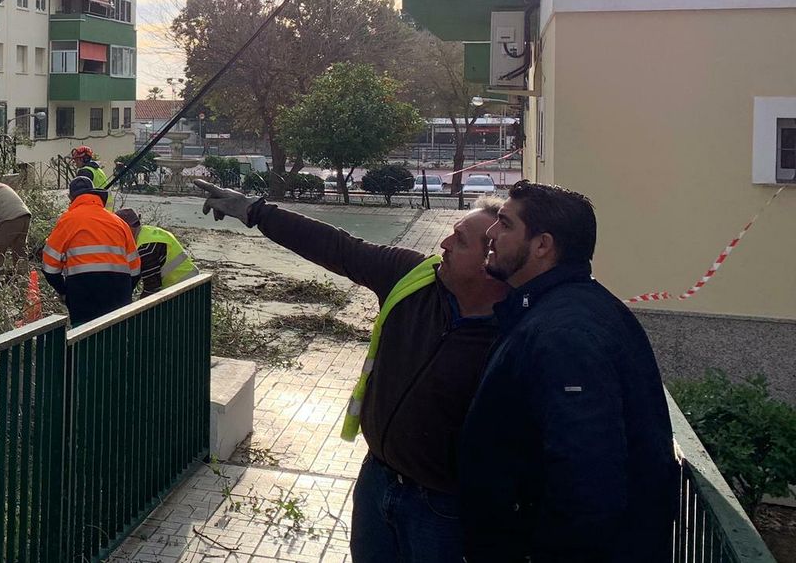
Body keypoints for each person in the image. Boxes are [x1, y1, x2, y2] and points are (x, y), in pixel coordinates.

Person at [194, 178, 508, 563]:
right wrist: (255, 211)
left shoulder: (516, 333)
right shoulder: (413, 276)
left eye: (459, 241)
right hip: (377, 480)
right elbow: (338, 247)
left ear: (494, 259)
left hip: (443, 510)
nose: (443, 245)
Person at [459, 181, 675, 561]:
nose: (491, 233)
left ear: (543, 245)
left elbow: (587, 482)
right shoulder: (559, 308)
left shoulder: (565, 334)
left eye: (506, 225)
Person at [41, 175, 140, 324]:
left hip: (83, 291)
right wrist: (124, 291)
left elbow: (49, 266)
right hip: (118, 290)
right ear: (96, 195)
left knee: (85, 341)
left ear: (71, 197)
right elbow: (135, 268)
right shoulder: (119, 222)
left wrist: (63, 291)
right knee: (116, 339)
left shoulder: (68, 220)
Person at [115, 208, 197, 297]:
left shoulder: (145, 248)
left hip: (184, 289)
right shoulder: (148, 233)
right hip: (190, 283)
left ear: (127, 228)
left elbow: (151, 290)